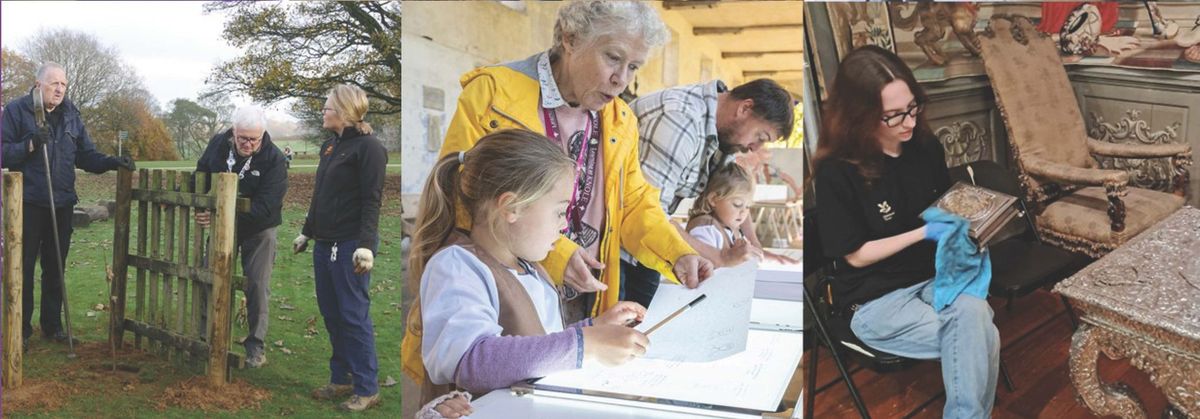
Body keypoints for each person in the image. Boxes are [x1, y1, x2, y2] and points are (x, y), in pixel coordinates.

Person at [434, 0, 712, 317]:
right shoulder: (493, 94)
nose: (621, 79)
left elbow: (635, 205)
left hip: (586, 299)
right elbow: (462, 194)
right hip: (503, 295)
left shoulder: (621, 120)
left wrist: (677, 252)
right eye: (613, 57)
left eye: (634, 67)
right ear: (571, 39)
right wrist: (556, 254)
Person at [812, 45, 999, 418]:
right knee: (979, 336)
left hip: (934, 280)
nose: (909, 123)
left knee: (977, 323)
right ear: (860, 118)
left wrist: (973, 226)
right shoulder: (837, 171)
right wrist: (923, 233)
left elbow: (949, 206)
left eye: (913, 107)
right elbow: (855, 254)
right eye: (893, 116)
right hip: (873, 300)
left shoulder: (925, 147)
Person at [408, 129, 650, 406]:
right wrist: (586, 343)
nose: (564, 225)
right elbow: (472, 361)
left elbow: (537, 341)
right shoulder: (456, 267)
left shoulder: (529, 267)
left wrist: (595, 328)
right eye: (560, 211)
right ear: (512, 207)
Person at [1, 62, 135, 348]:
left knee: (55, 266)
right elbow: (3, 154)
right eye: (54, 84)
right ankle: (20, 330)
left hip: (61, 202)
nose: (60, 89)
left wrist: (112, 162)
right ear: (39, 86)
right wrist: (30, 145)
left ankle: (52, 326)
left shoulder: (71, 114)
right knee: (22, 267)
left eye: (63, 84)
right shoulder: (16, 111)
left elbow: (86, 156)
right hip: (27, 203)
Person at [630, 78, 796, 299]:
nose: (754, 148)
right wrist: (721, 258)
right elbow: (648, 213)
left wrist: (755, 249)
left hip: (646, 244)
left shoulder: (723, 134)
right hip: (618, 246)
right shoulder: (680, 120)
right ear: (745, 108)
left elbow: (734, 191)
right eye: (760, 137)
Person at [292, 84, 388, 412]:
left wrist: (365, 246)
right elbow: (320, 195)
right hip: (324, 243)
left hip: (350, 245)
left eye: (327, 107)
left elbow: (371, 199)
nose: (323, 111)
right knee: (332, 313)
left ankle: (367, 387)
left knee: (352, 315)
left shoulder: (369, 149)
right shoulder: (330, 147)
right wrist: (307, 232)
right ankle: (342, 377)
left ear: (345, 112)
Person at [193, 105, 287, 368]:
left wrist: (219, 216)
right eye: (243, 138)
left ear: (263, 135)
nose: (248, 144)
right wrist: (201, 207)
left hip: (259, 230)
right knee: (207, 276)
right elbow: (201, 175)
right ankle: (204, 336)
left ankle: (255, 345)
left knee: (257, 284)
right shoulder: (218, 144)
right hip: (222, 226)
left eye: (254, 139)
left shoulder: (274, 159)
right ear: (233, 132)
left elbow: (265, 209)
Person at [686, 163, 761, 260]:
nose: (743, 213)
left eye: (747, 207)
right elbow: (703, 268)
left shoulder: (730, 227)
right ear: (713, 199)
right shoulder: (705, 229)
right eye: (737, 204)